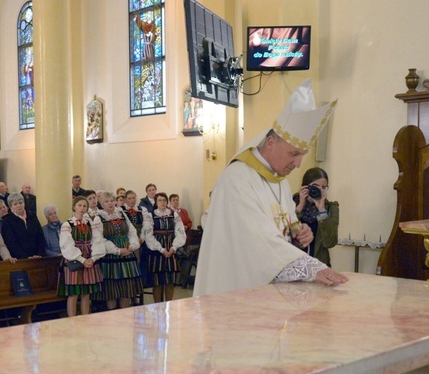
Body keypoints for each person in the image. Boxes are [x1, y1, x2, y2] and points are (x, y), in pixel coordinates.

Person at [193, 79, 347, 297]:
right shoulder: (237, 178)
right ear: (271, 143)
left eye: (301, 156)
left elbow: (282, 229)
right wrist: (309, 266)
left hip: (269, 293)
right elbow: (254, 241)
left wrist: (299, 233)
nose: (298, 164)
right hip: (235, 293)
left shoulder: (280, 181)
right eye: (294, 154)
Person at [92, 192, 142, 310]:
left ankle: (125, 315)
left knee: (126, 287)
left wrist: (133, 245)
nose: (110, 203)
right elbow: (99, 239)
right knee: (111, 290)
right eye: (106, 201)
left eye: (111, 201)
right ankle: (112, 317)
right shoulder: (98, 218)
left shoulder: (122, 214)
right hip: (111, 256)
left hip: (127, 254)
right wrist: (117, 251)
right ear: (102, 204)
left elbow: (132, 231)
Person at [59, 197, 105, 316]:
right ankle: (72, 320)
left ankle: (86, 319)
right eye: (79, 205)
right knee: (74, 293)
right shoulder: (67, 224)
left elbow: (97, 240)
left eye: (84, 206)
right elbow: (67, 245)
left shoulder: (90, 223)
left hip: (89, 258)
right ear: (74, 207)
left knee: (86, 292)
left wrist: (93, 258)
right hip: (75, 259)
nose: (82, 208)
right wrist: (81, 259)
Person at [142, 192, 186, 302]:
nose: (162, 202)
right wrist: (161, 249)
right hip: (156, 250)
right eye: (160, 200)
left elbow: (180, 232)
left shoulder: (174, 214)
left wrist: (174, 248)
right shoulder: (150, 215)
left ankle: (169, 304)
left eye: (164, 200)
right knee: (157, 281)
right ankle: (158, 305)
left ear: (167, 202)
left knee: (170, 280)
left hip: (170, 248)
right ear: (156, 202)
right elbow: (148, 235)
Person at [293, 168, 339, 267]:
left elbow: (330, 242)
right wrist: (300, 205)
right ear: (305, 186)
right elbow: (285, 233)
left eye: (323, 187)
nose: (319, 190)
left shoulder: (331, 207)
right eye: (315, 186)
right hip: (294, 264)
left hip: (319, 265)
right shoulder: (290, 202)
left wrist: (322, 210)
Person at [1, 193, 46, 259]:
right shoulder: (7, 220)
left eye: (20, 203)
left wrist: (39, 254)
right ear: (10, 207)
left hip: (37, 257)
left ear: (24, 203)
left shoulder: (32, 216)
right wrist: (25, 257)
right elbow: (11, 242)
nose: (18, 206)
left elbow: (40, 236)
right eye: (15, 204)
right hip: (20, 259)